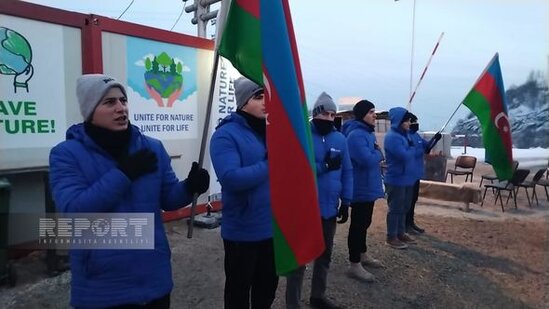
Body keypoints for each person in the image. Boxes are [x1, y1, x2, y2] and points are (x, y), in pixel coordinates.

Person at [49, 74, 210, 308]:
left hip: (153, 280)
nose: (120, 108)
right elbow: (74, 212)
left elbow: (169, 198)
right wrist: (123, 174)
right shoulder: (66, 154)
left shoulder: (151, 147)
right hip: (102, 289)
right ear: (90, 110)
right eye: (109, 102)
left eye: (123, 100)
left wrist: (189, 187)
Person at [209, 77, 278, 309]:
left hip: (271, 228)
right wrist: (269, 165)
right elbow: (231, 179)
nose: (265, 102)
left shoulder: (271, 131)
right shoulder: (226, 135)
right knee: (238, 293)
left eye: (266, 96)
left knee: (267, 289)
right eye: (258, 97)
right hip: (243, 232)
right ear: (242, 102)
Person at [285, 92, 352, 309]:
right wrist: (323, 167)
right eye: (325, 113)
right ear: (315, 113)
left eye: (333, 115)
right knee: (299, 259)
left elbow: (347, 171)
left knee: (324, 256)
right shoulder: (303, 135)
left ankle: (318, 296)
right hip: (305, 207)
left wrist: (347, 201)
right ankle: (293, 303)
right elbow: (297, 169)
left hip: (329, 208)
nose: (329, 118)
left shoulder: (340, 139)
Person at [341, 100, 385, 282]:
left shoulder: (367, 133)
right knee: (358, 225)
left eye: (374, 111)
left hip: (368, 186)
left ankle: (363, 253)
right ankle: (354, 263)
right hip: (359, 187)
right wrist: (379, 154)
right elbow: (367, 159)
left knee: (365, 222)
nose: (374, 115)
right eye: (371, 112)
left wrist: (375, 153)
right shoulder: (356, 135)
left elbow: (372, 156)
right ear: (361, 115)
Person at [383, 107, 416, 249]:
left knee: (404, 206)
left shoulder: (404, 135)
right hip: (395, 177)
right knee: (395, 208)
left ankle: (401, 232)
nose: (409, 124)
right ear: (399, 121)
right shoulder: (392, 137)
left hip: (406, 177)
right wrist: (413, 150)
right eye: (407, 121)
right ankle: (391, 236)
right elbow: (404, 155)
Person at [406, 113, 442, 234]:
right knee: (408, 200)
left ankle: (411, 222)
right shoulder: (406, 137)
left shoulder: (416, 136)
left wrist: (435, 139)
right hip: (409, 174)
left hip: (417, 173)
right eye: (413, 121)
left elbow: (427, 148)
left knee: (414, 199)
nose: (416, 123)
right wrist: (420, 149)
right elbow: (414, 153)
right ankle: (405, 224)